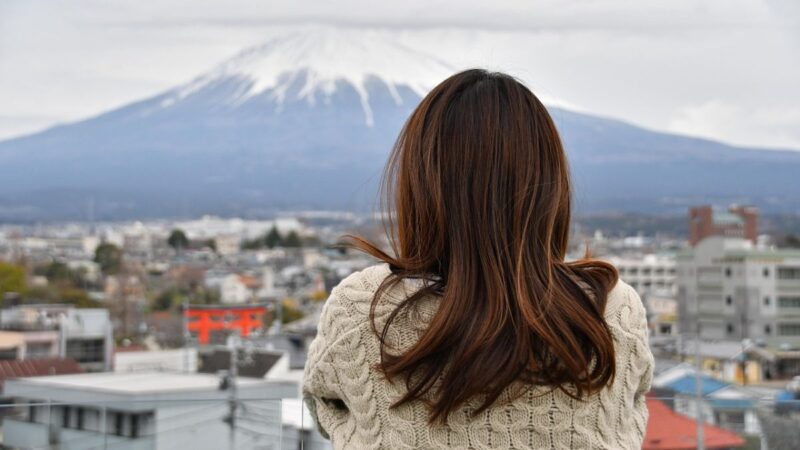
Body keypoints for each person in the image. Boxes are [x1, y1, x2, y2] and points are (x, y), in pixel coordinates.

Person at [303, 69, 654, 449]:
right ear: (551, 186)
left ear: (420, 182)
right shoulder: (610, 309)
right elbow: (629, 415)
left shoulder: (365, 308)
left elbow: (325, 406)